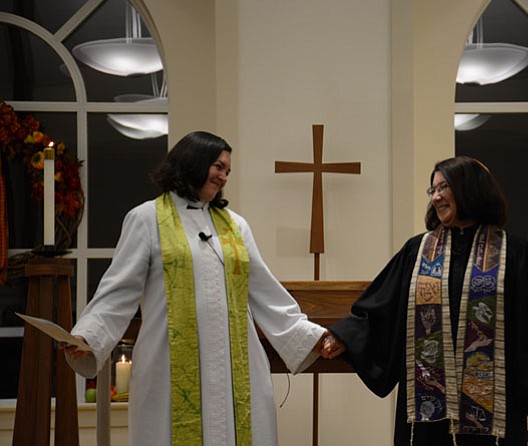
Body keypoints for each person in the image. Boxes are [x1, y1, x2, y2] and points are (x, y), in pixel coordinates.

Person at [61, 131, 330, 446]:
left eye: (227, 170)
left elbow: (266, 293)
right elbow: (117, 292)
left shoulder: (235, 226)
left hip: (235, 370)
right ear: (193, 162)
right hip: (169, 367)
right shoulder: (147, 219)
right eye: (218, 166)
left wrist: (312, 335)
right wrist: (87, 336)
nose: (223, 177)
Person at [321, 156, 528, 445]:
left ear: (470, 189)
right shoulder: (418, 251)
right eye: (432, 190)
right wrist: (347, 335)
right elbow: (382, 307)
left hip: (495, 408)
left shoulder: (512, 252)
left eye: (443, 187)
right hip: (427, 417)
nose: (436, 196)